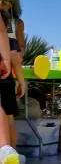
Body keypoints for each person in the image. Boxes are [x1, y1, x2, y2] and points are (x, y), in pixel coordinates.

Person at [0, 0, 26, 154]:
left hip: (8, 69)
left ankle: (10, 153)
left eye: (5, 2)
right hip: (8, 69)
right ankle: (11, 154)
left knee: (8, 117)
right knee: (8, 117)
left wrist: (18, 55)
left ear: (12, 4)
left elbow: (19, 49)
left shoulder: (17, 23)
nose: (1, 4)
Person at [0, 17, 20, 164]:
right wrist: (22, 82)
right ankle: (7, 150)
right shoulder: (11, 41)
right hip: (7, 82)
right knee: (10, 120)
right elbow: (16, 59)